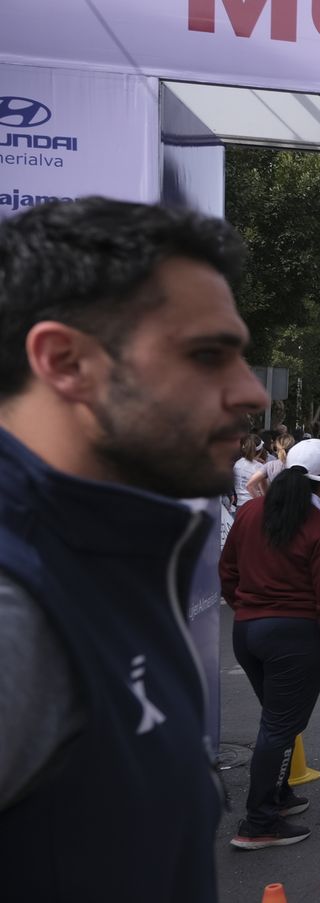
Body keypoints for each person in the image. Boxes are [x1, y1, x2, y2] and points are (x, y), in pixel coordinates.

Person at [0, 198, 269, 899]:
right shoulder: (14, 600)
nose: (250, 392)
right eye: (207, 354)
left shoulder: (112, 547)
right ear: (65, 361)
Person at [221, 438, 320, 849]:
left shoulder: (249, 513)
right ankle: (259, 820)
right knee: (281, 726)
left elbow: (226, 571)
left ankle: (276, 796)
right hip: (295, 638)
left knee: (275, 721)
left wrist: (246, 606)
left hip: (248, 631)